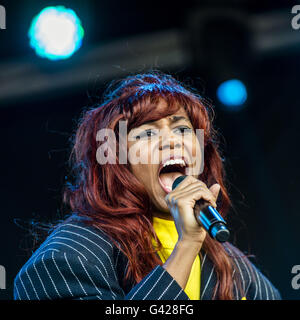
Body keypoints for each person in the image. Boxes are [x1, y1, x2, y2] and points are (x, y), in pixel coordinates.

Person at [13, 71, 281, 300]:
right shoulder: (69, 257)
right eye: (148, 133)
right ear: (117, 162)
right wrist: (186, 247)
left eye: (182, 130)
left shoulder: (233, 267)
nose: (171, 142)